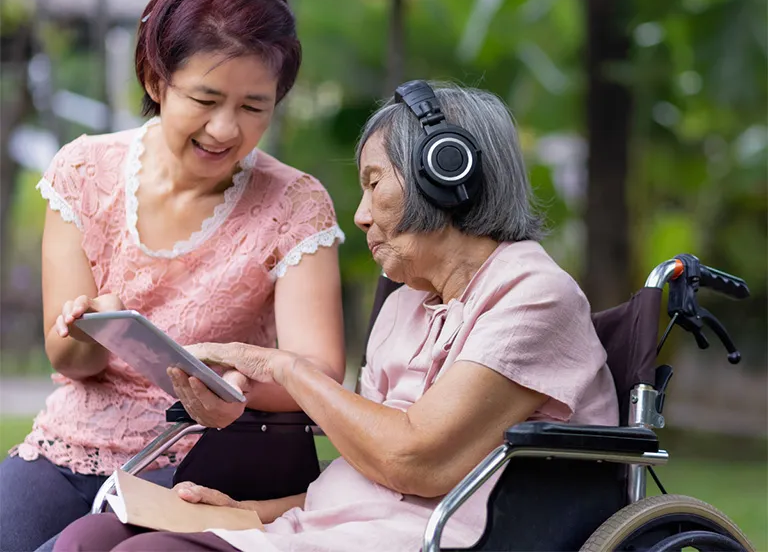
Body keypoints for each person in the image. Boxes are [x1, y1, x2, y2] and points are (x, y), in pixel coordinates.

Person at [54, 82, 619, 552]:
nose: (360, 215)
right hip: (341, 530)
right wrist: (249, 513)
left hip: (432, 538)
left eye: (374, 184)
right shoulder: (406, 304)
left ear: (446, 172)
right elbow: (367, 481)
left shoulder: (533, 294)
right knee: (88, 540)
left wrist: (285, 367)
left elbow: (409, 462)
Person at [0, 0, 346, 552]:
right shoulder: (83, 172)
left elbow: (319, 373)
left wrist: (238, 387)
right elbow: (70, 360)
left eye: (254, 107)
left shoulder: (296, 203)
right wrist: (94, 326)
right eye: (205, 98)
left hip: (210, 450)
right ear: (156, 80)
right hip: (73, 441)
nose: (224, 128)